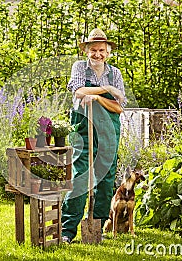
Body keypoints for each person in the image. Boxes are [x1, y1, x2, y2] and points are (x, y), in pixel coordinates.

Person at [61, 28, 126, 243]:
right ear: (86, 51)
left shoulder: (115, 72)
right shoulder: (79, 67)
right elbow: (79, 92)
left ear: (107, 53)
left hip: (108, 129)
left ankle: (97, 227)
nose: (98, 54)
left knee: (106, 177)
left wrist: (97, 98)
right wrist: (106, 88)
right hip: (83, 127)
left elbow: (118, 108)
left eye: (102, 50)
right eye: (93, 50)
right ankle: (67, 230)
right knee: (81, 175)